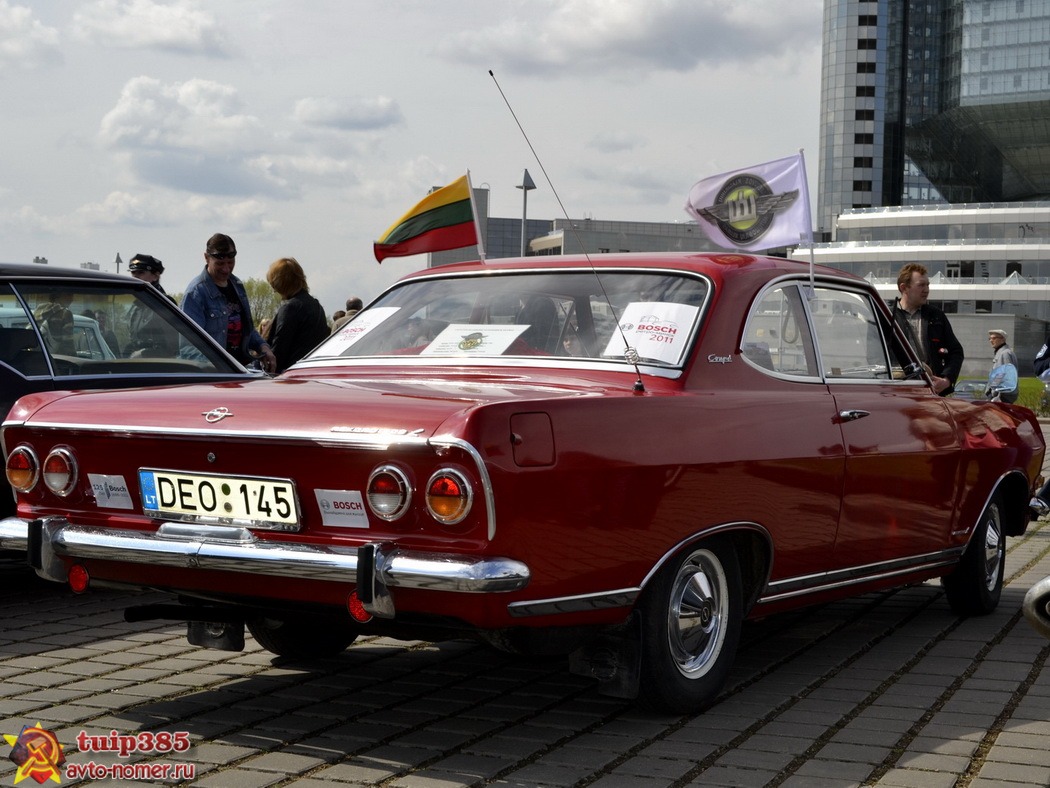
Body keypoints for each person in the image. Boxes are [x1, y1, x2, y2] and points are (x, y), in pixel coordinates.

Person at [182, 233, 276, 373]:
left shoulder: (237, 285)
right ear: (207, 258)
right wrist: (220, 364)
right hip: (213, 377)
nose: (226, 269)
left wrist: (263, 347)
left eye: (230, 263)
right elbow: (188, 348)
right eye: (220, 263)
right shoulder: (196, 293)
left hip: (240, 371)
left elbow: (247, 329)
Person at [890, 263, 963, 396]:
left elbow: (956, 352)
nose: (926, 290)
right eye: (921, 285)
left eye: (928, 285)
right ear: (904, 288)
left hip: (932, 394)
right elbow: (875, 358)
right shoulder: (887, 317)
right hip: (898, 394)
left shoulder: (936, 316)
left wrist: (946, 380)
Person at [265, 257, 331, 373]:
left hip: (290, 374)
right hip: (312, 371)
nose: (274, 290)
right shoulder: (316, 306)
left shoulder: (290, 308)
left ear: (280, 283)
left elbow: (279, 348)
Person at [985, 329, 1019, 403]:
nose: (991, 340)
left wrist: (993, 393)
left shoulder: (1005, 353)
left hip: (1002, 396)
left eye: (994, 338)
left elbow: (1003, 374)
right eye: (990, 338)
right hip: (1002, 395)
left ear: (1002, 339)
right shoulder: (1002, 352)